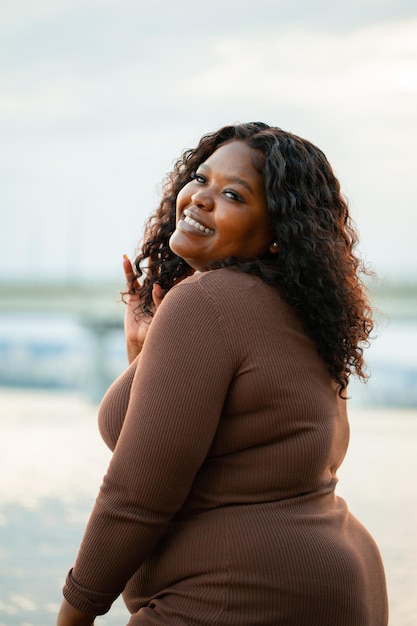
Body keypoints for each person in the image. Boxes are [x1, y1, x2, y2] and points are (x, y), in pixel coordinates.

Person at [56, 122, 388, 626]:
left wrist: (74, 612)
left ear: (278, 232)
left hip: (242, 593)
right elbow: (188, 439)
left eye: (233, 194)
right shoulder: (304, 311)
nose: (200, 199)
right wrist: (144, 352)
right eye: (201, 178)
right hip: (331, 586)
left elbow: (138, 490)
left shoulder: (207, 301)